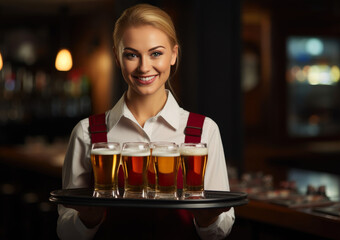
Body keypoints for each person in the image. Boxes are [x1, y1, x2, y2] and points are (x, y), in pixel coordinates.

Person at [57, 3, 235, 240]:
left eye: (156, 53)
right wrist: (88, 218)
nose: (143, 67)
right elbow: (66, 232)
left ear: (173, 55)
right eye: (131, 54)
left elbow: (219, 232)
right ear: (117, 57)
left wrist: (208, 219)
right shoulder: (86, 132)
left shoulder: (205, 131)